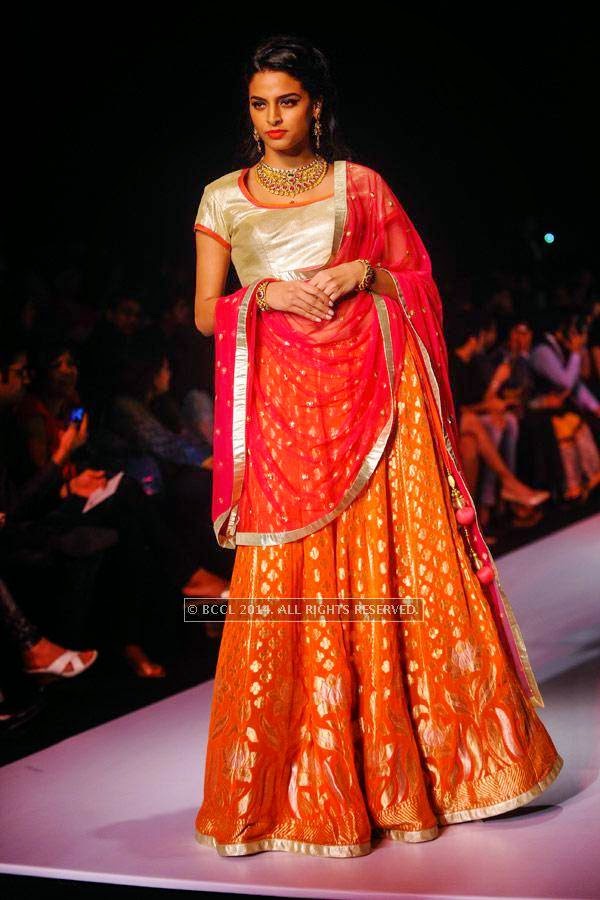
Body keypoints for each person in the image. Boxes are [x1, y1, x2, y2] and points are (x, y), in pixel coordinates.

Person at [191, 34, 563, 858]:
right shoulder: (221, 198)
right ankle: (299, 788)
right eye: (258, 103)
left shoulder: (363, 187)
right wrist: (263, 294)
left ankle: (419, 774)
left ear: (316, 105)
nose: (272, 118)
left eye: (287, 100)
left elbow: (418, 280)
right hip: (284, 421)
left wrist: (366, 276)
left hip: (374, 398)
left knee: (392, 566)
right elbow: (201, 312)